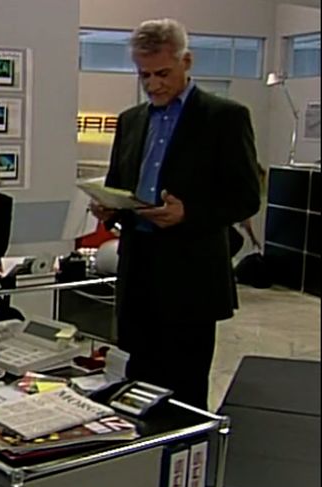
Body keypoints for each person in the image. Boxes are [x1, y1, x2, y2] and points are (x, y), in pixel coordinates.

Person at [90, 19, 261, 410]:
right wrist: (108, 208)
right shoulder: (130, 121)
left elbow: (246, 198)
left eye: (163, 74)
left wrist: (189, 214)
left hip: (191, 277)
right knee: (135, 384)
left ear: (187, 61)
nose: (153, 85)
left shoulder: (225, 117)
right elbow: (119, 184)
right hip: (137, 273)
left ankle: (185, 448)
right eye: (144, 75)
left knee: (183, 388)